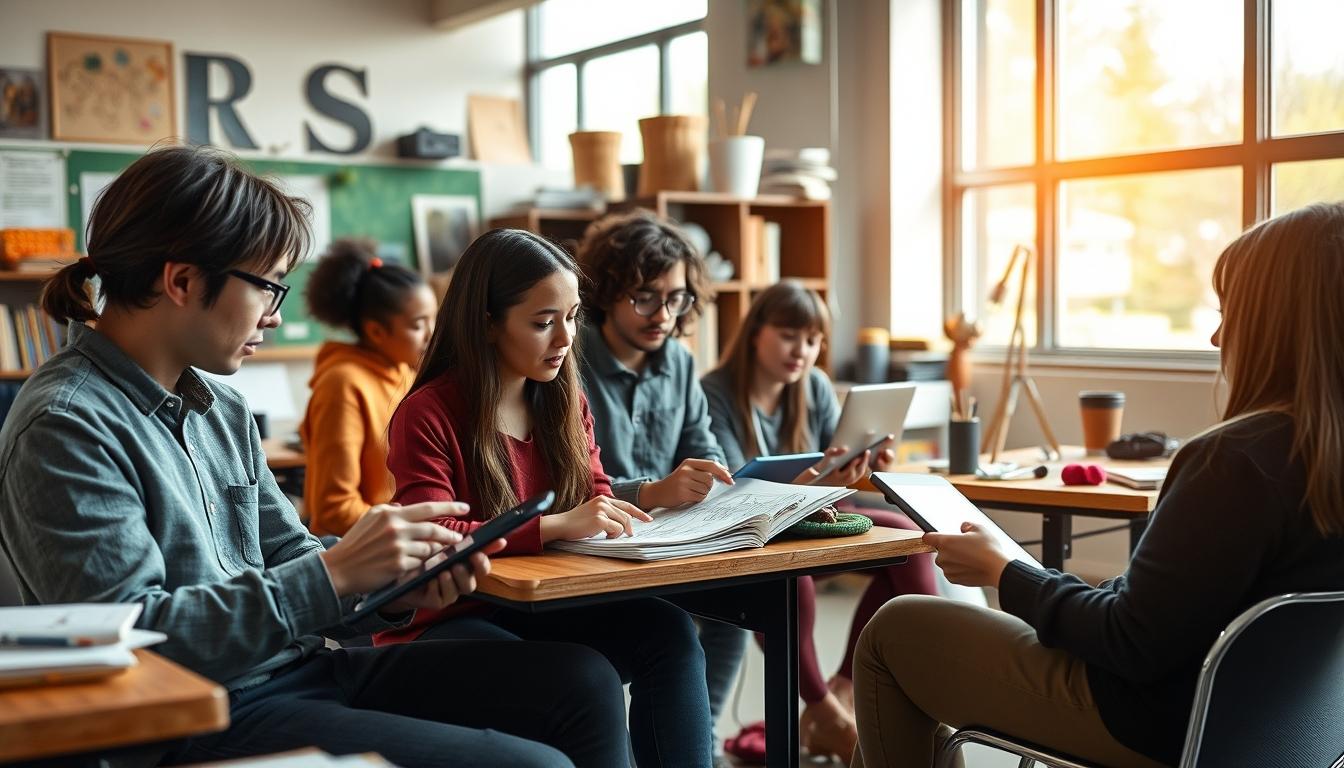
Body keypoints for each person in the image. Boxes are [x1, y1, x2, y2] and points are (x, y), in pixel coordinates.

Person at [0, 146, 629, 768]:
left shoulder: (219, 406)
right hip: (202, 714)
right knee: (530, 764)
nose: (276, 316)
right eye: (269, 287)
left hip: (299, 669)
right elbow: (137, 636)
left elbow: (289, 553)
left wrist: (402, 587)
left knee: (583, 680)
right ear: (183, 281)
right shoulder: (67, 424)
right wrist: (334, 574)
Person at [850, 202, 1344, 767]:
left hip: (1157, 725)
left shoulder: (1230, 462)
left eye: (1230, 312)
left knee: (897, 630)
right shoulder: (1313, 457)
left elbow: (1129, 644)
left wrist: (1005, 575)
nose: (1215, 336)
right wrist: (1046, 581)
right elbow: (1170, 609)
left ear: (1273, 323)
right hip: (1280, 738)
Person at [381, 226, 715, 767]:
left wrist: (610, 518)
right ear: (488, 323)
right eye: (543, 323)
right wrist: (556, 526)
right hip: (449, 622)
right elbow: (434, 541)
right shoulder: (429, 413)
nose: (565, 339)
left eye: (573, 316)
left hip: (547, 602)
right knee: (584, 676)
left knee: (669, 631)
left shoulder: (563, 399)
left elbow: (595, 491)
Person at [700, 280, 940, 763]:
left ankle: (846, 690)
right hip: (754, 532)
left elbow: (836, 477)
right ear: (755, 333)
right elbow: (726, 490)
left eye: (812, 341)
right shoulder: (714, 393)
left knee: (914, 540)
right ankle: (824, 710)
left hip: (818, 516)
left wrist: (862, 465)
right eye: (789, 335)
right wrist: (804, 488)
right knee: (792, 578)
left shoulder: (813, 388)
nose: (802, 351)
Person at [570, 209, 749, 756]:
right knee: (663, 629)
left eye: (677, 299)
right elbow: (573, 481)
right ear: (607, 293)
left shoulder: (677, 360)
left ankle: (702, 734)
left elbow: (704, 442)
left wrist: (714, 477)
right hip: (596, 545)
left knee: (739, 608)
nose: (663, 314)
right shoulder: (569, 360)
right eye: (645, 296)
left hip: (672, 539)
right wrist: (655, 489)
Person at [300, 237, 437, 536]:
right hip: (358, 552)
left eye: (433, 320)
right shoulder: (343, 384)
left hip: (408, 539)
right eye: (418, 325)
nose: (432, 335)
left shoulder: (406, 374)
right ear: (376, 331)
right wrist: (421, 527)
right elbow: (334, 510)